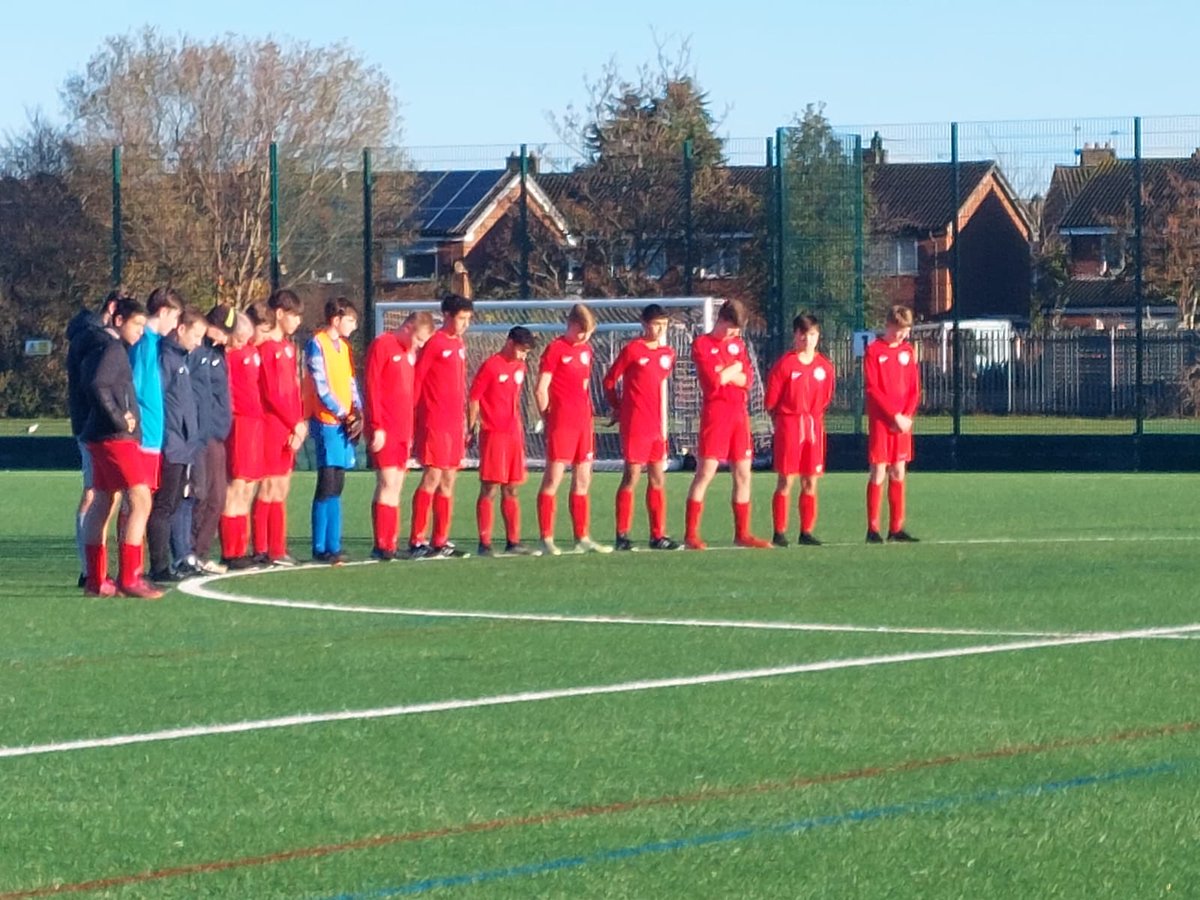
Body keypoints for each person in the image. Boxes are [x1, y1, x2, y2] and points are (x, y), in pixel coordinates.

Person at [78, 297, 163, 599]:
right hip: (114, 438)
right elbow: (98, 385)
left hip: (99, 435)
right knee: (141, 500)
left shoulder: (98, 344)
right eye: (136, 324)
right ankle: (130, 577)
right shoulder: (113, 349)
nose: (141, 330)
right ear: (118, 321)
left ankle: (96, 581)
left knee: (102, 502)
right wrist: (119, 418)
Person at [682, 299, 771, 551]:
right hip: (716, 414)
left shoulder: (738, 345)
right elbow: (712, 382)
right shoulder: (701, 344)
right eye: (732, 328)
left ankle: (742, 533)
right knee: (705, 473)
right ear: (721, 320)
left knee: (743, 473)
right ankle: (691, 535)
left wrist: (728, 372)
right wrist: (732, 372)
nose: (735, 334)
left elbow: (748, 380)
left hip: (739, 415)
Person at [601, 304, 681, 551]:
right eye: (656, 324)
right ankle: (622, 534)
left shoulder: (668, 354)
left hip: (656, 425)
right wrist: (618, 407)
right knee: (632, 476)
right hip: (635, 423)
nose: (660, 329)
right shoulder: (633, 350)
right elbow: (610, 380)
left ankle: (658, 535)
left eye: (664, 325)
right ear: (644, 324)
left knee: (658, 478)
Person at [534, 303, 611, 556]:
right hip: (562, 422)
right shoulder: (555, 349)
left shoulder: (586, 350)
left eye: (589, 333)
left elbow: (585, 385)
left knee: (583, 479)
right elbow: (541, 388)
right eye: (581, 332)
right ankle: (546, 538)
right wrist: (547, 417)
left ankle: (583, 537)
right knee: (553, 478)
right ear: (571, 325)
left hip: (583, 422)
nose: (584, 337)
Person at [364, 310, 436, 560]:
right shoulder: (383, 345)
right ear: (407, 328)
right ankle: (382, 544)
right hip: (385, 427)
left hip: (403, 429)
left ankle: (390, 542)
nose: (419, 345)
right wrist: (376, 425)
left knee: (397, 485)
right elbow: (371, 386)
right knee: (387, 482)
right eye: (418, 340)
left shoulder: (410, 354)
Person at [66, 288, 125, 587]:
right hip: (91, 425)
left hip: (93, 424)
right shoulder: (92, 338)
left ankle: (93, 568)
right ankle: (89, 569)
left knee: (102, 494)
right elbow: (93, 386)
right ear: (113, 309)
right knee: (95, 494)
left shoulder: (92, 336)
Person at [409, 294, 474, 559]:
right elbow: (417, 381)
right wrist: (412, 419)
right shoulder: (434, 343)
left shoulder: (458, 343)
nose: (465, 324)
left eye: (468, 319)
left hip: (453, 423)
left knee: (449, 479)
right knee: (432, 476)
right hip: (434, 421)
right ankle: (416, 540)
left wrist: (466, 418)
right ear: (446, 316)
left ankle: (440, 540)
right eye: (461, 318)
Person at [146, 308, 208, 582]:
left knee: (173, 505)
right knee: (163, 506)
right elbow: (161, 402)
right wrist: (171, 438)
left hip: (183, 444)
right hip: (171, 445)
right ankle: (159, 567)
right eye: (195, 335)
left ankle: (171, 561)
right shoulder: (166, 358)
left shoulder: (181, 359)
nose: (198, 342)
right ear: (180, 329)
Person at [765, 313, 836, 547]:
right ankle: (780, 531)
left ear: (818, 336)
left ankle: (806, 531)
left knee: (811, 480)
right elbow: (771, 401)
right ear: (795, 335)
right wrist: (783, 420)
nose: (808, 339)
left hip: (814, 426)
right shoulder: (785, 364)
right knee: (786, 479)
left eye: (813, 335)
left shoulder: (824, 366)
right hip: (790, 424)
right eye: (803, 335)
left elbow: (826, 397)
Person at [303, 296, 363, 565]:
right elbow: (321, 385)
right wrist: (344, 413)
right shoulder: (317, 343)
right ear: (336, 319)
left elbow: (350, 382)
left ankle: (334, 544)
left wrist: (358, 411)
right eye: (350, 320)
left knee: (338, 483)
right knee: (327, 482)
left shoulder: (345, 347)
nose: (354, 325)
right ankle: (320, 546)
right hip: (328, 421)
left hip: (344, 422)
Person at [469, 326, 538, 556]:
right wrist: (472, 427)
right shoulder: (491, 365)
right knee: (489, 487)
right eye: (521, 350)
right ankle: (485, 542)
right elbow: (474, 397)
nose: (523, 355)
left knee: (512, 488)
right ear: (509, 343)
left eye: (526, 352)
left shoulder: (521, 366)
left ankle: (513, 541)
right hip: (493, 434)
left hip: (513, 435)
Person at [255, 289, 308, 565]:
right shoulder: (266, 350)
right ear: (278, 314)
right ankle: (262, 548)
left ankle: (278, 548)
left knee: (282, 487)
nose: (297, 321)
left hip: (290, 426)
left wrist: (300, 423)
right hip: (273, 425)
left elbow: (293, 389)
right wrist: (293, 423)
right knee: (268, 486)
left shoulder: (288, 349)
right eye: (294, 315)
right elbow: (272, 394)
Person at [181, 304, 235, 574]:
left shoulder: (216, 352)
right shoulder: (195, 353)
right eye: (223, 330)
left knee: (217, 496)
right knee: (200, 494)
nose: (226, 336)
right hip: (199, 435)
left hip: (216, 434)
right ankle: (188, 552)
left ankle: (201, 552)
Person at [865, 304, 921, 543]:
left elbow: (913, 389)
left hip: (903, 422)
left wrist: (907, 416)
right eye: (898, 329)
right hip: (882, 421)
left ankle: (896, 528)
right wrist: (893, 416)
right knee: (879, 470)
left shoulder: (908, 352)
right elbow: (873, 388)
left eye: (905, 330)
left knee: (899, 469)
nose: (902, 334)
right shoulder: (874, 351)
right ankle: (873, 528)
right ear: (888, 325)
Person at [219, 311, 265, 567]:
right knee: (235, 485)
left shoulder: (250, 351)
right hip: (238, 421)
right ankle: (230, 550)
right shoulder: (228, 355)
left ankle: (241, 546)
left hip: (254, 420)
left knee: (248, 485)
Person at [127, 288, 183, 497]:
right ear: (163, 311)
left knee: (145, 500)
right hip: (145, 434)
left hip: (156, 433)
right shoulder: (144, 344)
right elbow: (134, 387)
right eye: (175, 317)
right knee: (137, 501)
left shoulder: (159, 343)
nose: (176, 325)